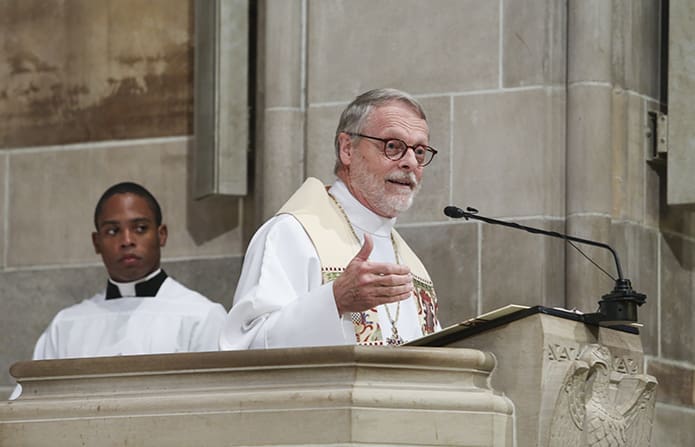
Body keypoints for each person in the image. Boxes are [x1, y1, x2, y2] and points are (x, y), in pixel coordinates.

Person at [220, 88, 440, 350]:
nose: (409, 163)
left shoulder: (410, 262)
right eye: (393, 146)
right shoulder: (292, 234)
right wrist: (334, 300)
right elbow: (245, 346)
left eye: (419, 152)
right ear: (347, 149)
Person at [10, 182, 226, 399]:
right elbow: (29, 406)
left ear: (161, 235)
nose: (127, 240)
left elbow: (219, 408)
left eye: (140, 228)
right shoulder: (66, 325)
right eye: (112, 231)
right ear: (96, 242)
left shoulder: (202, 316)